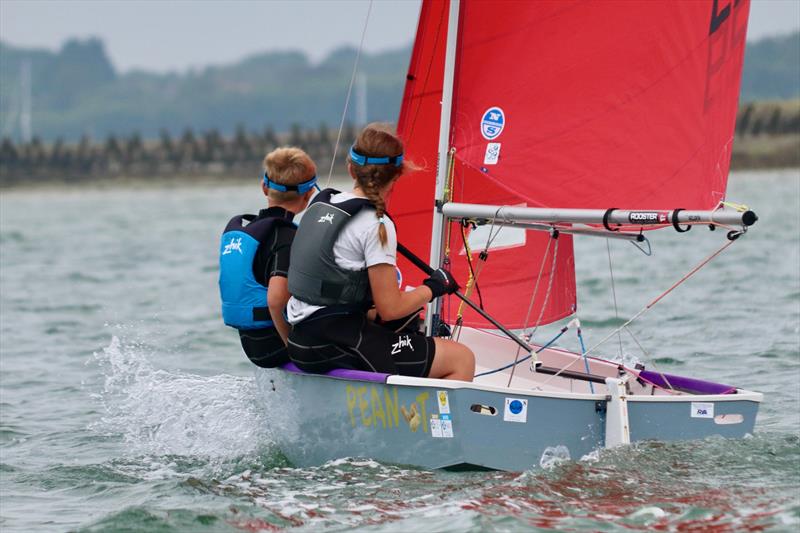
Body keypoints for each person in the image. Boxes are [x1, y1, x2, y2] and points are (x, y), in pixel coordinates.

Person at [286, 123, 475, 381]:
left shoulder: (322, 203)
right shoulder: (377, 224)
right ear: (398, 176)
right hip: (336, 342)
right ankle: (419, 421)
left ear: (350, 168)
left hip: (300, 338)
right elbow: (390, 308)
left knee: (403, 330)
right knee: (461, 358)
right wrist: (434, 286)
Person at [219, 147, 317, 367]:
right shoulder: (287, 236)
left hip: (250, 343)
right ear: (309, 194)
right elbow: (275, 301)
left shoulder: (249, 229)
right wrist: (293, 347)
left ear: (264, 187)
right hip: (274, 345)